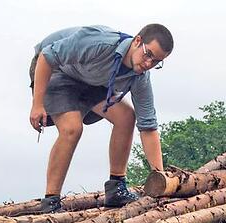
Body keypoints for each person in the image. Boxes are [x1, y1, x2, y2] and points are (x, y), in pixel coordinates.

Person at [29, 24, 173, 212]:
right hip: (56, 70)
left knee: (126, 116)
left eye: (156, 62)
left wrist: (159, 177)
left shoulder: (140, 77)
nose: (148, 64)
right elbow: (47, 57)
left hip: (89, 80)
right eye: (148, 55)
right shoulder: (100, 44)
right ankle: (51, 201)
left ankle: (116, 188)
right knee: (72, 128)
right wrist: (37, 105)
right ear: (137, 41)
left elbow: (148, 126)